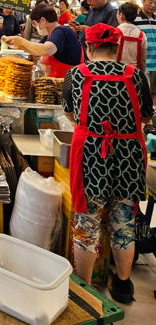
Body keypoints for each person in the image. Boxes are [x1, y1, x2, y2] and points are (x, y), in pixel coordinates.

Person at [61, 24, 152, 302]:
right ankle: (123, 287)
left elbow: (70, 113)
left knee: (86, 225)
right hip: (129, 157)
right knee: (124, 223)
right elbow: (146, 117)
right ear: (118, 48)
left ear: (88, 48)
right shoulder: (137, 77)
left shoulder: (75, 74)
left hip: (90, 155)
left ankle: (85, 290)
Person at [4, 3, 82, 78]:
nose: (35, 27)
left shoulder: (61, 31)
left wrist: (22, 41)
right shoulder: (49, 35)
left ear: (43, 20)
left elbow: (46, 50)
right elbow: (36, 51)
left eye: (35, 24)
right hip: (56, 82)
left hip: (68, 83)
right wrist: (16, 45)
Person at [135, 0, 156, 96]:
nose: (153, 5)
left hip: (155, 63)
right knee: (145, 94)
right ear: (143, 1)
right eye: (150, 2)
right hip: (144, 65)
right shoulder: (135, 20)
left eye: (155, 3)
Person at [117, 2, 147, 73]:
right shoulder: (142, 35)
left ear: (121, 15)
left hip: (117, 73)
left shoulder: (114, 33)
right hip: (134, 73)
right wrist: (141, 76)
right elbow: (143, 60)